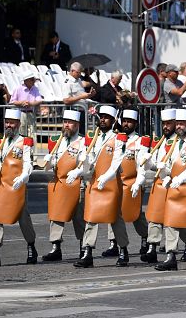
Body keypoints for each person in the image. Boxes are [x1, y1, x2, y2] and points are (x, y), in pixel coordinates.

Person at [72, 105, 130, 268]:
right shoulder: (93, 137)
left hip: (111, 183)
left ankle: (123, 249)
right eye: (100, 117)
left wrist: (106, 177)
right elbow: (89, 163)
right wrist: (79, 170)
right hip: (94, 182)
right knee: (90, 216)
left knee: (114, 217)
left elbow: (117, 162)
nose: (102, 120)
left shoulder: (119, 138)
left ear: (112, 120)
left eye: (106, 117)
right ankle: (87, 252)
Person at [0, 108, 37, 267]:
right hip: (2, 185)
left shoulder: (25, 141)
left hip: (17, 185)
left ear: (18, 124)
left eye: (12, 122)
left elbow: (28, 163)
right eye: (7, 122)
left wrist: (24, 176)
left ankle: (31, 245)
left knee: (23, 217)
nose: (9, 125)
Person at [154, 108, 186, 271]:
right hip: (174, 186)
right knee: (170, 220)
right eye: (177, 124)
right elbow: (169, 165)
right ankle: (171, 256)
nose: (179, 127)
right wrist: (165, 172)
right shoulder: (172, 143)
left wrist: (181, 178)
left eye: (183, 124)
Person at [104, 109, 151, 260]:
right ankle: (113, 243)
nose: (126, 124)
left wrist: (139, 182)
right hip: (115, 181)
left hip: (132, 181)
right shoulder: (116, 138)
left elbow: (141, 164)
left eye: (129, 121)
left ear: (135, 123)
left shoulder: (139, 141)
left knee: (134, 214)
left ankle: (146, 237)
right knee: (113, 212)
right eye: (124, 121)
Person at [42, 109, 86, 261]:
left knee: (79, 216)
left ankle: (83, 246)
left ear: (77, 125)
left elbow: (86, 164)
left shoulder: (83, 142)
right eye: (65, 122)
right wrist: (49, 161)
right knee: (56, 214)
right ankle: (56, 247)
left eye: (71, 123)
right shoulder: (56, 141)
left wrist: (77, 172)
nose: (67, 125)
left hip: (76, 182)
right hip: (59, 182)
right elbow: (49, 166)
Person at [141, 108, 176, 263]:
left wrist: (169, 170)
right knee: (155, 216)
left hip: (175, 182)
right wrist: (149, 162)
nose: (166, 127)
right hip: (160, 182)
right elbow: (155, 165)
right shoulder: (160, 141)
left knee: (176, 218)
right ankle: (152, 247)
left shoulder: (182, 141)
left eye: (169, 123)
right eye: (164, 124)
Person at [8, 72, 43, 137]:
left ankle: (31, 147)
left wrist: (30, 104)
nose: (34, 81)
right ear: (26, 80)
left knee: (32, 135)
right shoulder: (18, 88)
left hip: (31, 114)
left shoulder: (35, 88)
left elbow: (39, 100)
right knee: (21, 135)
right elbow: (12, 101)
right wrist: (21, 103)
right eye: (32, 79)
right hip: (21, 114)